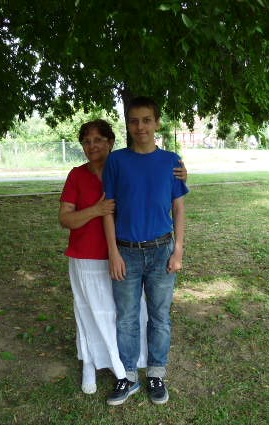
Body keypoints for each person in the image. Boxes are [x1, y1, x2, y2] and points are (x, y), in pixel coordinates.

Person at [59, 119, 186, 394]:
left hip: (128, 254)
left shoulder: (123, 165)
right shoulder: (78, 175)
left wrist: (179, 174)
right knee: (91, 314)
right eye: (86, 141)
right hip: (91, 257)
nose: (92, 146)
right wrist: (96, 210)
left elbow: (158, 185)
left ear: (111, 143)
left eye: (98, 140)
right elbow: (66, 219)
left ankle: (135, 368)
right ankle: (93, 365)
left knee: (130, 315)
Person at [103, 97, 189, 406]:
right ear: (128, 125)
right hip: (126, 252)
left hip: (161, 252)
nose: (140, 127)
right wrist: (113, 253)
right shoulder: (117, 161)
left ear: (157, 123)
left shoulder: (171, 161)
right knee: (126, 318)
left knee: (159, 317)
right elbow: (107, 210)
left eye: (146, 120)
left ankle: (156, 373)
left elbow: (178, 209)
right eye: (134, 121)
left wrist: (178, 250)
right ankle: (128, 376)